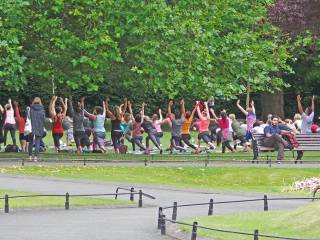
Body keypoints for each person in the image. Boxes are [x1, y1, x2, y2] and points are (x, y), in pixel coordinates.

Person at [296, 95, 315, 160]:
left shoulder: (305, 117)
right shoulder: (311, 116)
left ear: (307, 112)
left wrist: (298, 101)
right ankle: (301, 153)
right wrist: (312, 101)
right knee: (302, 146)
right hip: (309, 135)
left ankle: (300, 153)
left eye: (306, 110)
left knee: (297, 145)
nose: (305, 110)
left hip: (303, 135)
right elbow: (313, 109)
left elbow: (300, 110)